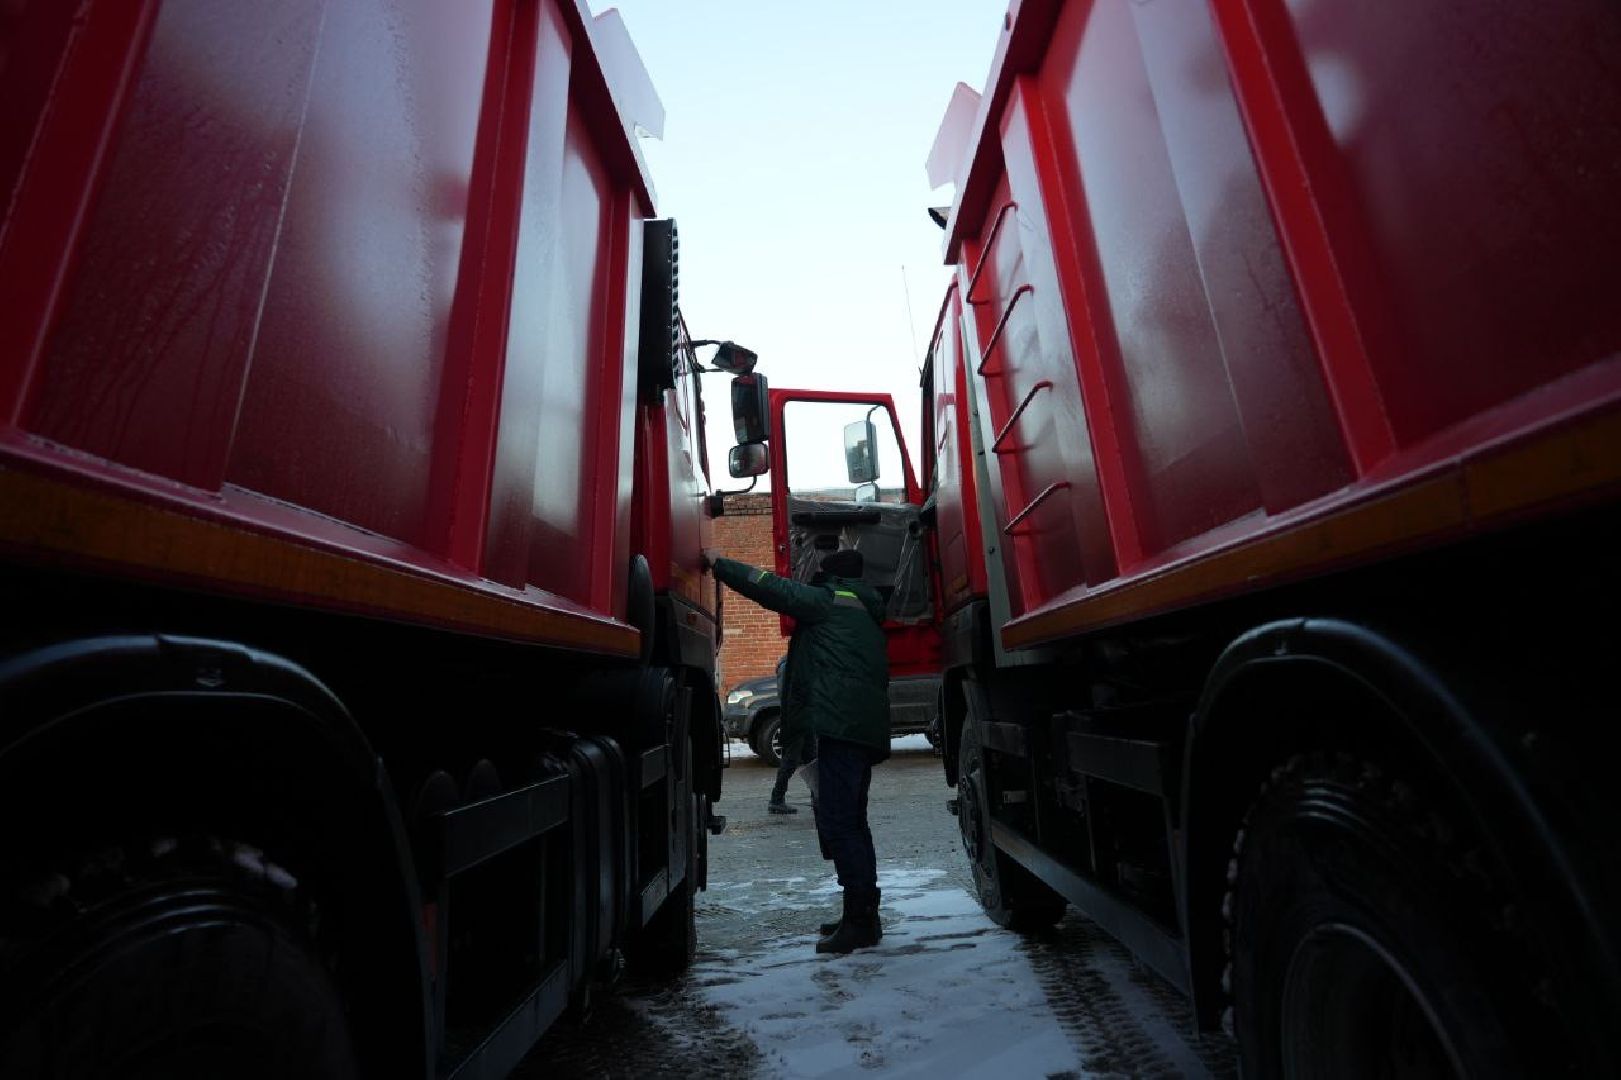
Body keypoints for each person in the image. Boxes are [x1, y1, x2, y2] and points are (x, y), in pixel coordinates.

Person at [708, 547, 890, 954]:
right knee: (854, 823)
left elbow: (771, 588)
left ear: (830, 576)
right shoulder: (864, 606)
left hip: (840, 728)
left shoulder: (828, 601)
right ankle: (863, 915)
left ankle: (860, 922)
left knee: (841, 823)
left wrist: (720, 564)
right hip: (859, 729)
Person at [767, 655, 816, 814]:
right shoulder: (788, 666)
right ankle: (777, 798)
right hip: (796, 719)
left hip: (805, 718)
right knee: (791, 759)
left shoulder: (802, 663)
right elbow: (787, 696)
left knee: (812, 758)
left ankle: (818, 797)